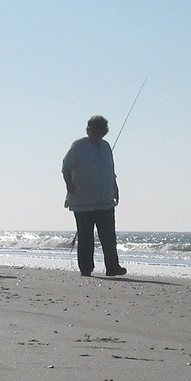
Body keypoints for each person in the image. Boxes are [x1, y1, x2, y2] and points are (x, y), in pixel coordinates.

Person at [62, 114, 126, 277]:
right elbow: (66, 167)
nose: (97, 136)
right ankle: (86, 268)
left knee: (108, 235)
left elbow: (110, 170)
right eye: (94, 132)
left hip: (104, 199)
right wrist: (69, 184)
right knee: (85, 236)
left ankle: (112, 267)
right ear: (88, 130)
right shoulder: (79, 146)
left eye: (100, 133)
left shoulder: (105, 146)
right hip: (82, 199)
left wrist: (115, 187)